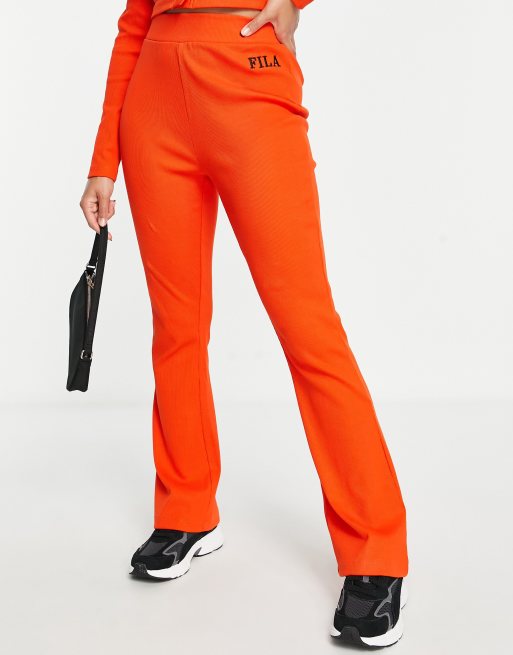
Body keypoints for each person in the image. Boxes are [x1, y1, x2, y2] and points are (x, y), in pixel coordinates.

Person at [80, 0, 409, 647]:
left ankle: (375, 547)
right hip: (153, 96)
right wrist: (102, 159)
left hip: (247, 72)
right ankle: (186, 508)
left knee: (308, 329)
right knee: (176, 328)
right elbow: (133, 23)